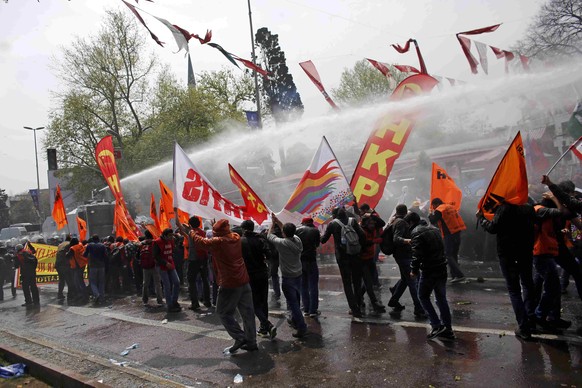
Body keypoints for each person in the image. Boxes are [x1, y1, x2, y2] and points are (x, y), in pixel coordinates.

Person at [188, 219, 257, 353]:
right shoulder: (236, 237)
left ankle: (240, 337)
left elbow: (201, 242)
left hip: (229, 282)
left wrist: (191, 232)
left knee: (223, 312)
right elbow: (224, 233)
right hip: (243, 279)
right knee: (248, 313)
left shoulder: (219, 242)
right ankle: (251, 342)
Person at [477, 203, 537, 340]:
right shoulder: (528, 206)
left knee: (514, 289)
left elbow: (493, 228)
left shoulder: (505, 207)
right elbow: (535, 224)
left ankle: (524, 327)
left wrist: (481, 218)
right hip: (525, 251)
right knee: (527, 284)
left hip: (508, 253)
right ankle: (531, 319)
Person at [407, 212, 454, 340]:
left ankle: (436, 325)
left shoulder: (416, 232)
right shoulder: (434, 229)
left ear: (411, 223)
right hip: (441, 267)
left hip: (429, 269)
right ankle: (447, 329)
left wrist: (413, 270)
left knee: (422, 296)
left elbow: (417, 255)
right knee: (441, 298)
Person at [532, 192, 571, 331]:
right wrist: (554, 197)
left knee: (552, 287)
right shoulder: (540, 210)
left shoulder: (549, 215)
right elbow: (561, 211)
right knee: (553, 287)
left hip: (548, 253)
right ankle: (539, 315)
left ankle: (553, 317)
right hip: (541, 254)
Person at [268, 213, 307, 337]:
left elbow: (269, 235)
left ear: (283, 232)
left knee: (293, 304)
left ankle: (301, 326)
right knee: (296, 299)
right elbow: (287, 229)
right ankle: (295, 321)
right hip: (298, 274)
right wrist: (278, 221)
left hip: (288, 277)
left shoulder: (282, 243)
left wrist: (272, 224)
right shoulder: (297, 239)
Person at [321, 206, 364, 318]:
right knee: (357, 281)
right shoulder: (353, 221)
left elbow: (323, 239)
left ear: (334, 215)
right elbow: (362, 235)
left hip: (342, 257)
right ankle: (359, 304)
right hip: (355, 255)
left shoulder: (333, 224)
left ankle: (354, 309)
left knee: (347, 283)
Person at [241, 219, 277, 339]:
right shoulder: (260, 239)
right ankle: (263, 328)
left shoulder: (240, 241)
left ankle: (267, 324)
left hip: (250, 275)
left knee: (254, 302)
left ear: (243, 229)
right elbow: (269, 255)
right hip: (262, 273)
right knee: (263, 301)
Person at [388, 204, 425, 318]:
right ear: (405, 212)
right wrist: (408, 241)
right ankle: (418, 308)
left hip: (401, 255)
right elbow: (396, 239)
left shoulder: (395, 220)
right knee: (412, 282)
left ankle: (394, 300)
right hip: (403, 256)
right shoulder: (401, 222)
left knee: (405, 279)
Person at [429, 198, 466, 283]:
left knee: (448, 255)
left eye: (433, 206)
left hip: (449, 233)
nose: (433, 208)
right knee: (454, 254)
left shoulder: (440, 210)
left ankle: (459, 275)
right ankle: (455, 276)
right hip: (457, 232)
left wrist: (430, 214)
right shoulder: (450, 207)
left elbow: (433, 221)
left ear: (436, 204)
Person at [179, 216, 212, 311]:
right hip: (204, 258)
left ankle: (195, 303)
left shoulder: (191, 232)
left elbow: (181, 227)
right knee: (205, 280)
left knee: (191, 281)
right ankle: (207, 301)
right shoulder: (202, 232)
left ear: (190, 224)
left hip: (194, 259)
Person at [356, 215, 386, 314]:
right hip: (362, 260)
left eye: (373, 223)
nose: (373, 225)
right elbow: (364, 243)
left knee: (370, 280)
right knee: (368, 282)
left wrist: (372, 215)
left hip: (370, 258)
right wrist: (375, 241)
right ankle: (374, 303)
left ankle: (358, 299)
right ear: (365, 224)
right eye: (370, 223)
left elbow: (382, 223)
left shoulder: (372, 228)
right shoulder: (361, 230)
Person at [296, 217, 322, 318]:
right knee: (313, 286)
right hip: (311, 260)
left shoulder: (297, 230)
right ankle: (313, 310)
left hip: (300, 260)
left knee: (303, 285)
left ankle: (306, 309)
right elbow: (317, 244)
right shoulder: (315, 231)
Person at [154, 228, 181, 313]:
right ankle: (169, 305)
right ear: (164, 235)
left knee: (177, 282)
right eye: (169, 236)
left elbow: (174, 250)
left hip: (171, 264)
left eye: (171, 235)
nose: (171, 237)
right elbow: (155, 256)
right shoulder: (157, 242)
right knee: (167, 286)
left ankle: (174, 301)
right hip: (162, 266)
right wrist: (165, 263)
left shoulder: (171, 241)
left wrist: (177, 242)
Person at [139, 230, 164, 306]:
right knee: (157, 284)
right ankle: (159, 300)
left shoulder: (141, 244)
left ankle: (145, 300)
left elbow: (137, 255)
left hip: (145, 267)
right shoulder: (155, 243)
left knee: (145, 284)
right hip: (155, 266)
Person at [84, 235, 108, 306]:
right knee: (101, 282)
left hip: (93, 266)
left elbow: (85, 255)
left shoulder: (89, 245)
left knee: (93, 282)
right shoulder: (102, 246)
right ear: (99, 239)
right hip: (101, 266)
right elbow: (106, 256)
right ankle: (102, 297)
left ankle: (96, 294)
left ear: (92, 239)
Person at [67, 237, 89, 304]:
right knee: (79, 281)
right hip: (82, 264)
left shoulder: (73, 248)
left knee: (78, 282)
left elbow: (68, 256)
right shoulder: (80, 245)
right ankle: (83, 295)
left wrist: (66, 253)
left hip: (78, 266)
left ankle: (83, 296)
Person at [55, 235, 72, 301]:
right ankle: (70, 295)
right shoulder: (69, 244)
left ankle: (60, 294)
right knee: (69, 280)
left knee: (61, 280)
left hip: (58, 264)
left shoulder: (60, 244)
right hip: (64, 265)